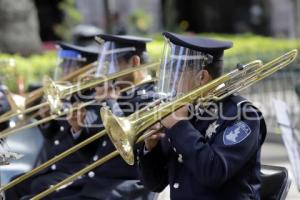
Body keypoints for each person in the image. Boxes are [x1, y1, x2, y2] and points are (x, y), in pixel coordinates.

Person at [137, 32, 267, 200]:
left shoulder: (243, 114)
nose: (173, 80)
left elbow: (214, 172)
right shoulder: (188, 111)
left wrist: (178, 126)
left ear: (202, 77)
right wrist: (151, 147)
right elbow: (156, 184)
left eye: (178, 72)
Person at [47, 34, 156, 200]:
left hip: (125, 188)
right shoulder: (118, 95)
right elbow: (94, 154)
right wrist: (78, 130)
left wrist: (110, 101)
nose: (108, 72)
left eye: (114, 64)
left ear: (134, 62)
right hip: (97, 184)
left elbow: (134, 153)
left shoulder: (151, 98)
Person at [5, 43, 100, 200]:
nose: (64, 70)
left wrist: (77, 126)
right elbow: (55, 138)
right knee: (13, 185)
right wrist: (45, 120)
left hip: (74, 170)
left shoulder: (91, 101)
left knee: (37, 189)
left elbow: (85, 142)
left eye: (70, 66)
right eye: (63, 65)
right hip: (54, 167)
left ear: (86, 70)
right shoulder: (67, 96)